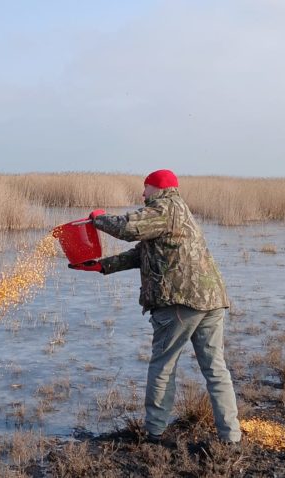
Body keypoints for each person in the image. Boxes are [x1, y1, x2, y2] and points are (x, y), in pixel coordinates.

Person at [68, 169, 241, 444]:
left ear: (157, 188)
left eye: (145, 188)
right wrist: (103, 266)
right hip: (211, 301)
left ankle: (155, 433)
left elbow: (127, 228)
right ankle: (231, 437)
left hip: (180, 303)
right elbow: (142, 253)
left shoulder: (165, 207)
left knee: (163, 366)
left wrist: (97, 219)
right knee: (216, 369)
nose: (142, 194)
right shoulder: (179, 211)